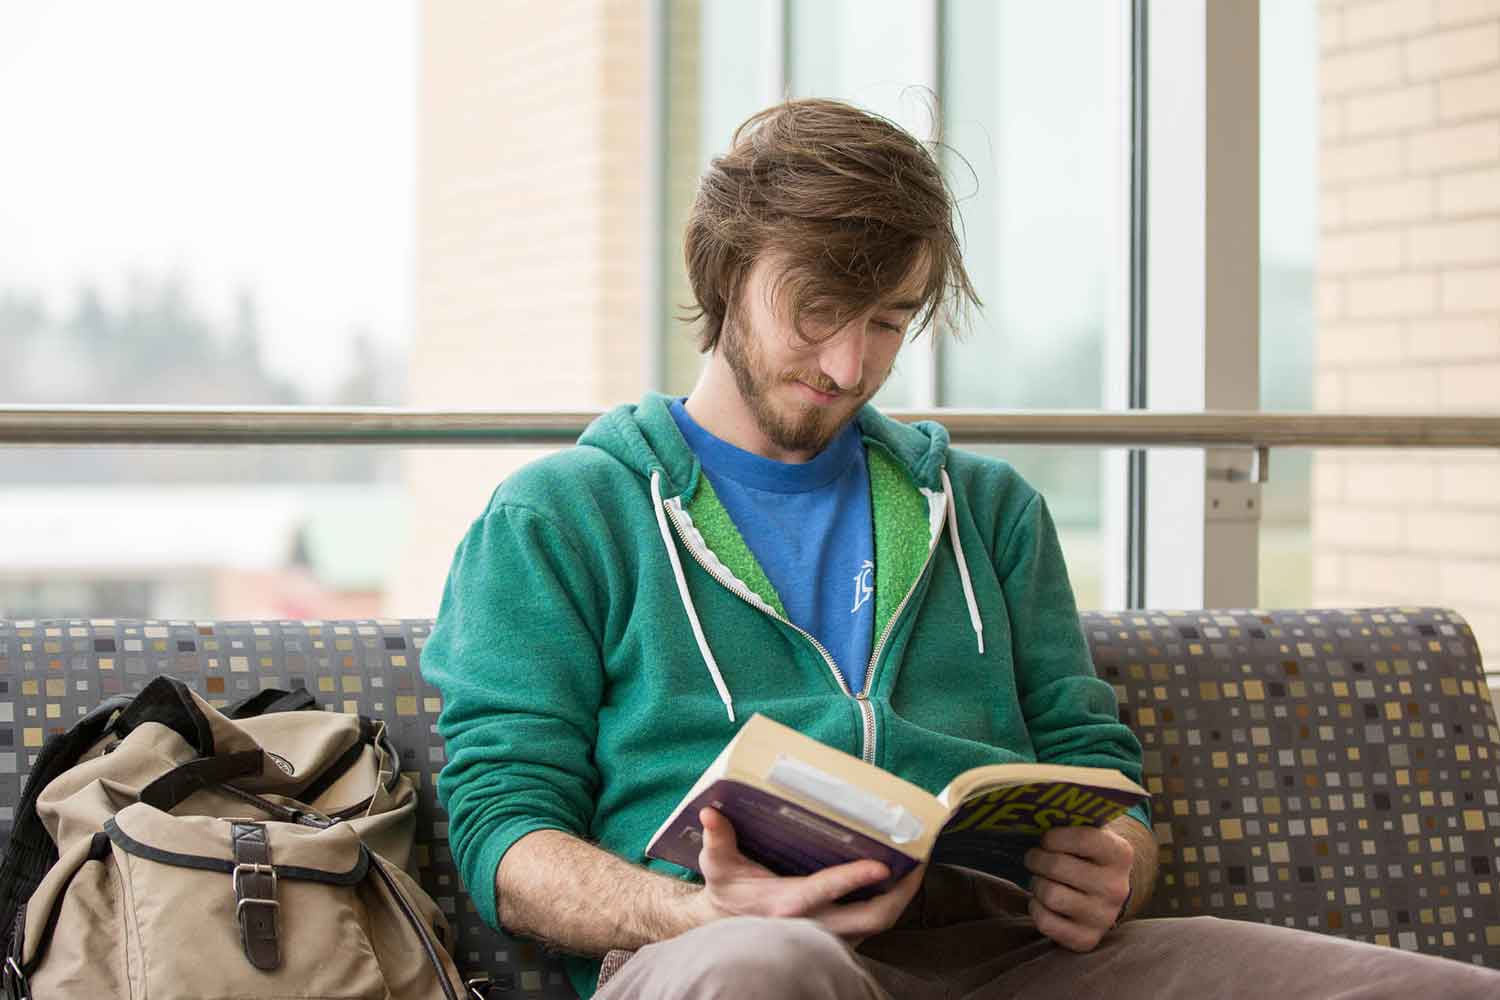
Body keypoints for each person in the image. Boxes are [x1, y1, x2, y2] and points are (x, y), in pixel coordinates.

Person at [421, 98, 1498, 999]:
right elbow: (505, 839)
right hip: (716, 955)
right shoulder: (562, 516)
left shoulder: (985, 508)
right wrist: (690, 909)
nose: (850, 365)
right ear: (726, 276)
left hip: (1004, 957)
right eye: (818, 312)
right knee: (768, 969)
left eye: (889, 321)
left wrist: (1116, 861)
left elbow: (1097, 771)